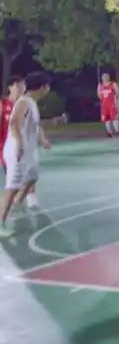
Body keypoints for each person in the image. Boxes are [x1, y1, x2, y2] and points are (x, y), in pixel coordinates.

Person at [0, 72, 52, 237]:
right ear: (42, 87)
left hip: (27, 151)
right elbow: (14, 123)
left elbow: (35, 126)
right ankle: (1, 221)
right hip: (17, 150)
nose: (48, 89)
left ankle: (17, 201)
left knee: (33, 175)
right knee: (12, 186)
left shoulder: (31, 102)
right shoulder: (24, 102)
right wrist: (20, 144)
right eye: (48, 86)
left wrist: (42, 139)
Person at [98, 72, 119, 137]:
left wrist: (116, 99)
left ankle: (117, 130)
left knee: (114, 118)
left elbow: (118, 93)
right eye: (103, 77)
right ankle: (109, 132)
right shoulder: (100, 86)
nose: (104, 78)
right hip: (104, 105)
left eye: (105, 77)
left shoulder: (113, 84)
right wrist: (99, 91)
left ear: (108, 78)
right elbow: (99, 96)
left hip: (112, 104)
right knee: (107, 119)